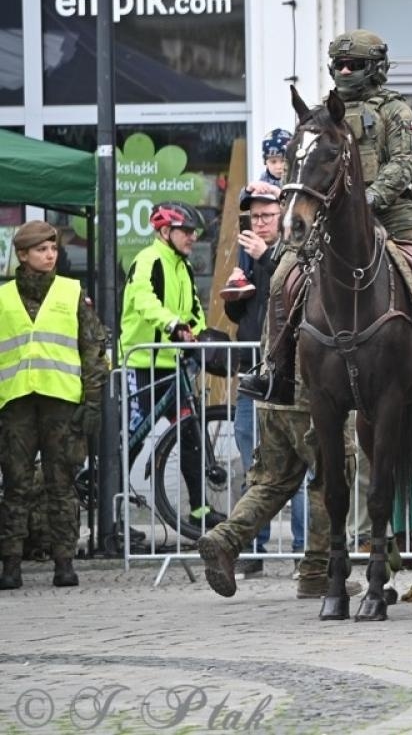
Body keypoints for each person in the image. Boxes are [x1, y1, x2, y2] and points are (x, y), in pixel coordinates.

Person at [239, 30, 412, 400]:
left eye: (354, 64)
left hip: (397, 211)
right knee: (282, 277)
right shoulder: (319, 116)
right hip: (332, 217)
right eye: (340, 64)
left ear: (375, 67)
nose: (346, 71)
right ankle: (276, 369)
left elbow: (405, 163)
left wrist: (369, 199)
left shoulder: (395, 111)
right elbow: (299, 166)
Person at [0, 221, 107, 589]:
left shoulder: (71, 292)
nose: (50, 255)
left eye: (53, 249)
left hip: (61, 402)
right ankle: (11, 566)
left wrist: (93, 401)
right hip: (15, 404)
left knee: (61, 484)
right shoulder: (3, 298)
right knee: (15, 486)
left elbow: (93, 349)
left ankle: (64, 563)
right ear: (23, 255)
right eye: (41, 250)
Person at [196, 359, 358, 600]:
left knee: (272, 483)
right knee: (332, 476)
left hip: (272, 394)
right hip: (313, 399)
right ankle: (317, 571)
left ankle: (225, 539)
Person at [119, 201, 218, 532]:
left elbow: (194, 311)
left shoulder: (183, 266)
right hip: (142, 364)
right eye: (185, 231)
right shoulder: (148, 260)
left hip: (173, 366)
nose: (193, 237)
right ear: (164, 232)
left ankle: (200, 510)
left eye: (193, 232)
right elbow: (143, 301)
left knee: (190, 434)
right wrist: (173, 325)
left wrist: (200, 334)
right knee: (131, 440)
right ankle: (113, 519)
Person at [221, 181, 303, 573]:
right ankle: (253, 551)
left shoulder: (294, 246)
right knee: (253, 463)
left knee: (300, 463)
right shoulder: (249, 251)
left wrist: (266, 257)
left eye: (267, 215)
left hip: (289, 371)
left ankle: (305, 552)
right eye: (254, 216)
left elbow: (294, 290)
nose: (260, 222)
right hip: (253, 370)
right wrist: (235, 292)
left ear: (281, 215)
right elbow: (242, 315)